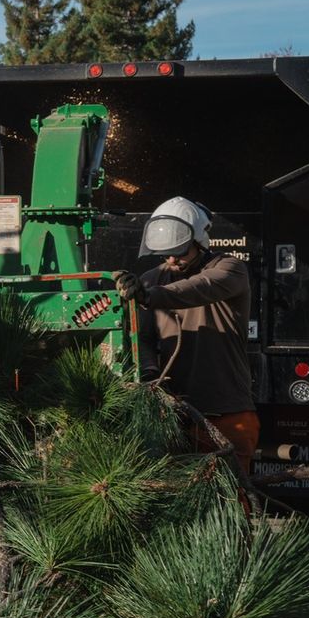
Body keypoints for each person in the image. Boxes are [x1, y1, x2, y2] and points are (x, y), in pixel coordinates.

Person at [113, 198, 257, 479]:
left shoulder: (230, 270)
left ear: (199, 242)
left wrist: (148, 296)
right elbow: (142, 338)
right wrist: (149, 374)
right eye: (165, 254)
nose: (171, 260)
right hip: (174, 415)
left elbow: (198, 288)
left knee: (231, 496)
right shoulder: (151, 279)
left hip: (227, 413)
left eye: (179, 252)